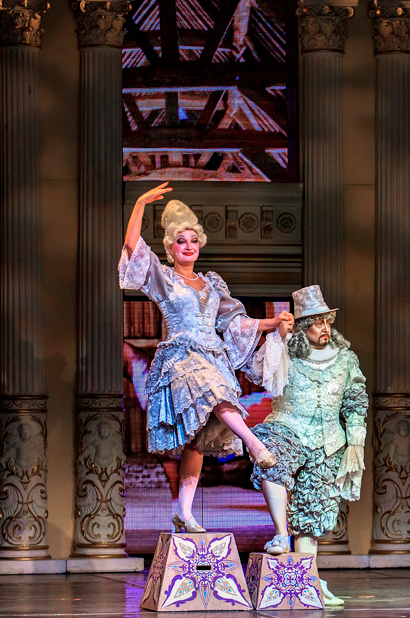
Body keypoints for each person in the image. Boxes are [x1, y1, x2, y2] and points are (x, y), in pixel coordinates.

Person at [118, 182, 293, 533]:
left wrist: (272, 322)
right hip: (183, 358)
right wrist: (139, 203)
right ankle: (254, 445)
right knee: (217, 393)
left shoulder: (213, 285)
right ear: (170, 248)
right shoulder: (164, 278)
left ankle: (183, 511)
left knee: (198, 440)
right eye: (181, 241)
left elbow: (235, 322)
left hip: (212, 355)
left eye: (193, 240)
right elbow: (132, 247)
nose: (188, 246)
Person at [247, 285, 369, 606]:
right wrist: (277, 337)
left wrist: (355, 443)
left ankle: (308, 581)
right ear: (302, 326)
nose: (325, 328)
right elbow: (257, 371)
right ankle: (280, 533)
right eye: (317, 323)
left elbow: (355, 402)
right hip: (288, 427)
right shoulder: (286, 350)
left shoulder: (345, 359)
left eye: (327, 321)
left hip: (328, 443)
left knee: (312, 514)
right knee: (270, 456)